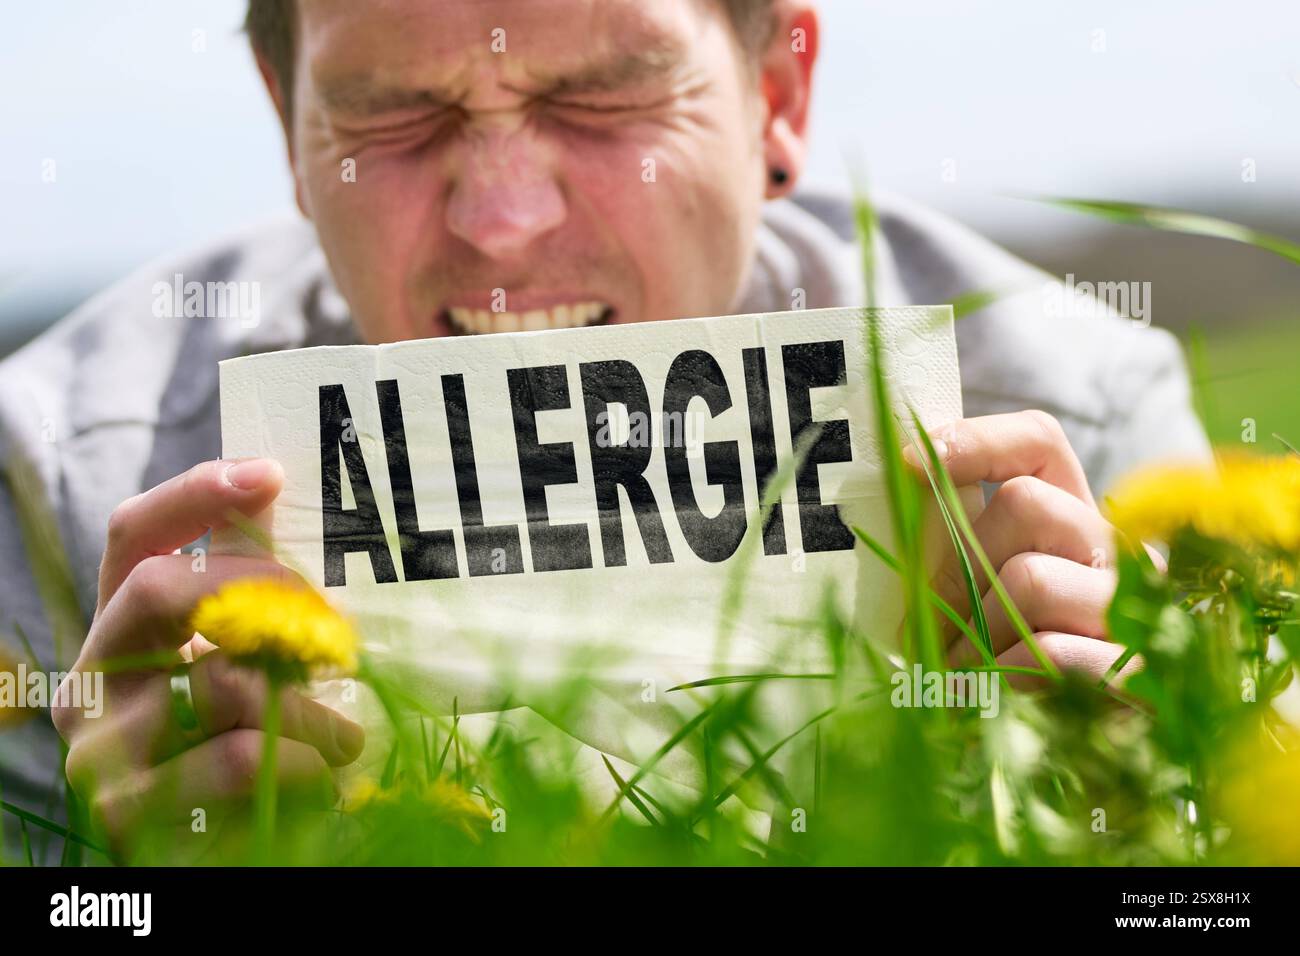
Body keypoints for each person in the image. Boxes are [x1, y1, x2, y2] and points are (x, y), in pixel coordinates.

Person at [0, 0, 1209, 860]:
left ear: (774, 96)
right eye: (396, 118)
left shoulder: (1075, 411)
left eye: (601, 95)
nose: (504, 219)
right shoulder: (61, 469)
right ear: (291, 128)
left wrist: (1147, 798)